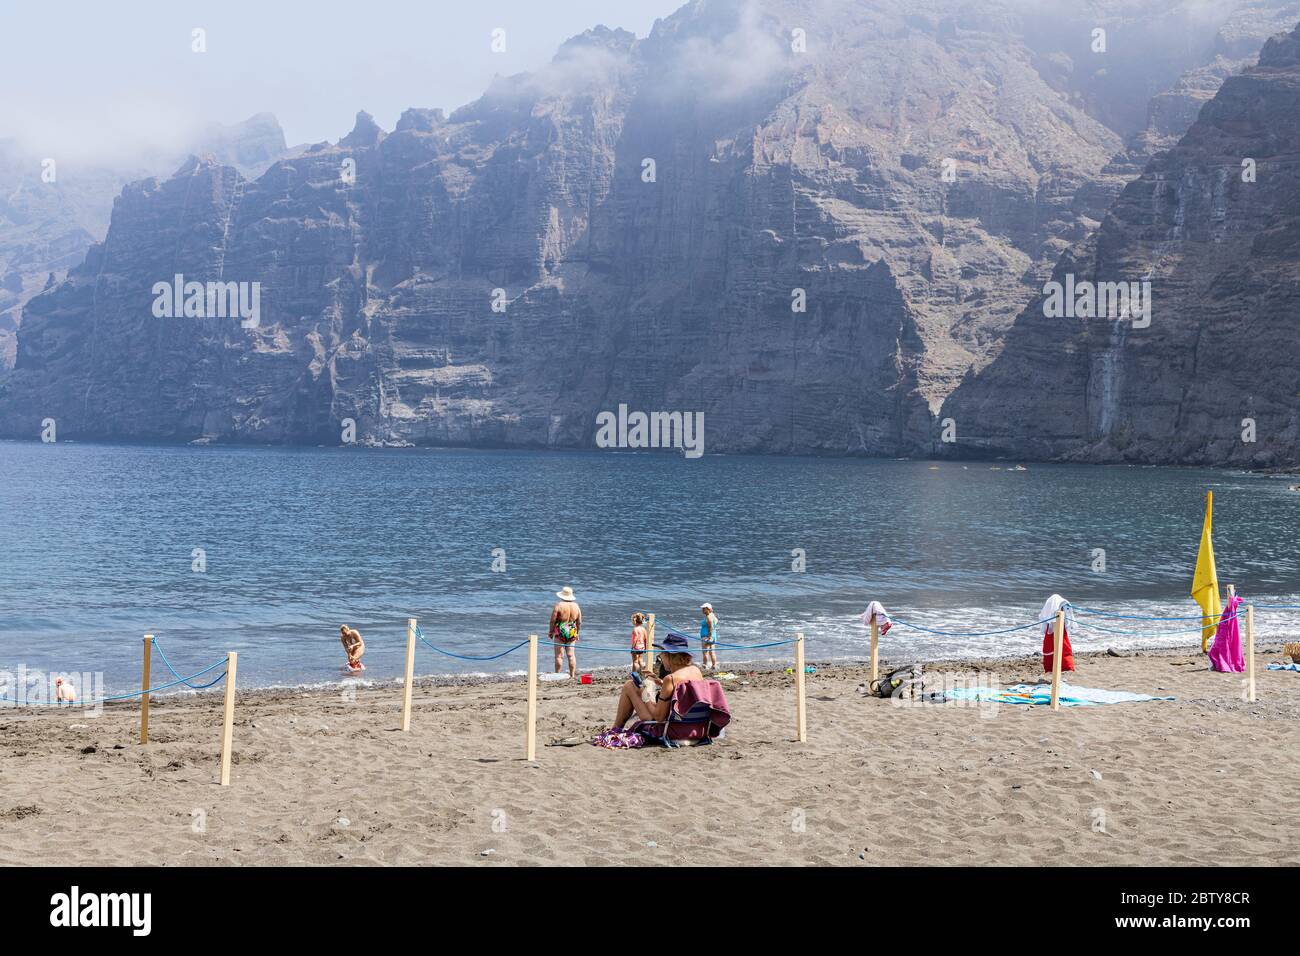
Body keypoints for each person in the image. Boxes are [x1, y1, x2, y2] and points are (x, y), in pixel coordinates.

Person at [610, 632, 702, 729]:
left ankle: (615, 729)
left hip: (670, 729)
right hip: (694, 727)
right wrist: (661, 683)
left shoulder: (670, 679)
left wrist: (644, 693)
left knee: (629, 686)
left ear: (669, 656)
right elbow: (683, 693)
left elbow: (658, 717)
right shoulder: (696, 671)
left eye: (662, 653)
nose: (660, 657)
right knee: (643, 690)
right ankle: (616, 728)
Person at [549, 586, 582, 678]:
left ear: (562, 596)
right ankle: (572, 675)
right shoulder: (576, 606)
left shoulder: (558, 605)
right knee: (571, 655)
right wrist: (577, 633)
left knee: (559, 656)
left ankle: (557, 675)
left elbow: (552, 620)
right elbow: (579, 621)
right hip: (572, 630)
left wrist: (551, 631)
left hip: (560, 630)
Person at [700, 602, 719, 670]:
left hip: (707, 637)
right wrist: (711, 636)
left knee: (705, 652)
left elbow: (710, 627)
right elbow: (716, 621)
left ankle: (704, 666)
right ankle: (714, 665)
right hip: (713, 637)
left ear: (708, 609)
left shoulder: (708, 617)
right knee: (712, 652)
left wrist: (709, 637)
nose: (702, 610)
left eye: (703, 609)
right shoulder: (712, 615)